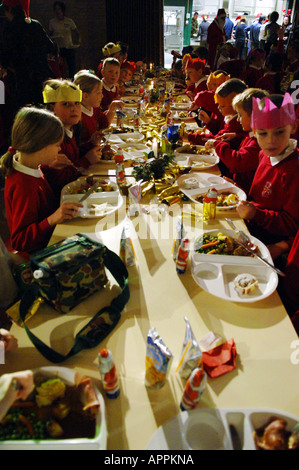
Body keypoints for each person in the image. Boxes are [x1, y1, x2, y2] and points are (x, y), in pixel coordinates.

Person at [0, 107, 82, 255]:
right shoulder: (23, 185)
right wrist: (51, 219)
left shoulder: (31, 165)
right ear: (40, 147)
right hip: (40, 255)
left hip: (51, 238)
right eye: (57, 145)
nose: (59, 150)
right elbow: (20, 241)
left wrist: (51, 168)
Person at [236, 93, 299, 246]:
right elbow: (260, 198)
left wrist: (256, 214)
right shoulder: (263, 154)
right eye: (263, 133)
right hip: (250, 231)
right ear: (254, 131)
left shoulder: (294, 169)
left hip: (269, 245)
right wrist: (236, 189)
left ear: (293, 127)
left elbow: (292, 225)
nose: (271, 141)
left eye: (280, 132)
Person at [208, 88, 267, 193]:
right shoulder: (250, 136)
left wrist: (217, 144)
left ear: (254, 116)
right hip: (236, 184)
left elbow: (238, 162)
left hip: (244, 194)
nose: (238, 119)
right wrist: (237, 137)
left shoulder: (259, 142)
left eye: (240, 115)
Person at [1, 0, 56, 110]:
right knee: (43, 112)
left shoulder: (9, 29)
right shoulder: (35, 25)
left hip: (21, 82)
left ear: (10, 10)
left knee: (26, 116)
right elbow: (51, 48)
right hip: (41, 78)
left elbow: (5, 57)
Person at [43, 79, 102, 169]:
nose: (73, 108)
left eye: (77, 103)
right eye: (66, 104)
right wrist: (86, 161)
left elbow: (74, 156)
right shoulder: (53, 139)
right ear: (52, 108)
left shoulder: (70, 130)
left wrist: (91, 144)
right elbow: (61, 178)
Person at [189, 78, 247, 154]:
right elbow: (218, 133)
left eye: (222, 106)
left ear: (235, 106)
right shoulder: (230, 116)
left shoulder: (237, 123)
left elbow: (215, 139)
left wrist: (189, 137)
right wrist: (210, 122)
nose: (218, 108)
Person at [73, 70, 121, 143]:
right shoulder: (78, 117)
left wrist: (112, 110)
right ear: (85, 96)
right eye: (98, 92)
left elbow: (104, 126)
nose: (102, 96)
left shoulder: (94, 108)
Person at [49, 1, 81, 79]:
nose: (57, 11)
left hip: (69, 47)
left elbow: (77, 33)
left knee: (71, 67)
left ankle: (72, 81)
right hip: (59, 48)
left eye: (59, 9)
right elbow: (50, 35)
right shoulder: (52, 22)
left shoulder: (69, 21)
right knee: (60, 68)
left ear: (62, 10)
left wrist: (78, 42)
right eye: (56, 9)